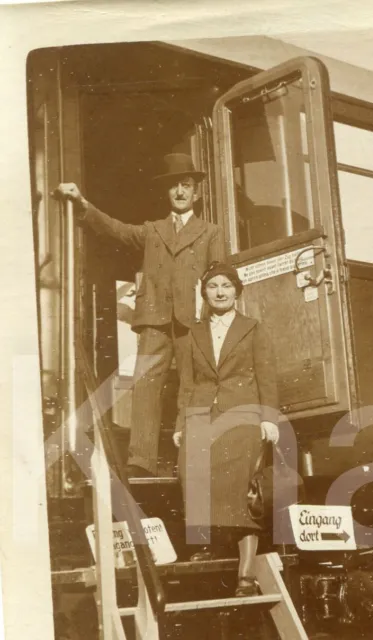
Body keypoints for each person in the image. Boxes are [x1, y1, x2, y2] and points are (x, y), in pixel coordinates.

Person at [54, 153, 225, 478]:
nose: (180, 192)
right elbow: (115, 230)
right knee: (146, 386)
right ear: (166, 193)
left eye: (186, 186)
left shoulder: (211, 232)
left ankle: (189, 458)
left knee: (194, 386)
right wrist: (82, 204)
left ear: (196, 193)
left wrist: (214, 318)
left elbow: (218, 277)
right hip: (155, 319)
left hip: (193, 321)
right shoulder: (153, 230)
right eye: (174, 186)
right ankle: (141, 460)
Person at [173, 261, 279, 596]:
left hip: (242, 416)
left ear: (237, 291)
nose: (219, 292)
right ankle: (209, 546)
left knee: (239, 489)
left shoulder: (253, 328)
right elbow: (187, 384)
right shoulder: (193, 332)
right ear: (204, 293)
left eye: (226, 286)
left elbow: (267, 377)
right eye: (213, 286)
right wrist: (181, 424)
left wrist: (268, 419)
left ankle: (245, 576)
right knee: (192, 474)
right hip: (202, 415)